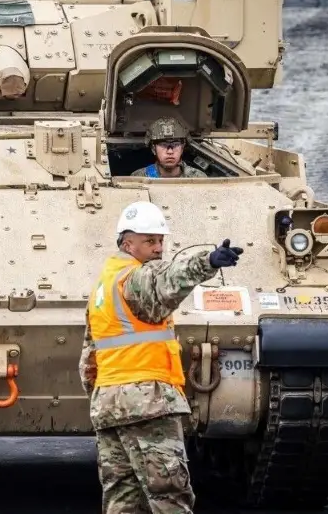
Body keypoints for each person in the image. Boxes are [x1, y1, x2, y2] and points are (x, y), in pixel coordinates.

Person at [80, 201, 243, 513]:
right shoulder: (136, 278)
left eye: (160, 240)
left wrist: (105, 399)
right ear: (127, 244)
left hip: (109, 405)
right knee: (169, 495)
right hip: (147, 403)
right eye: (149, 241)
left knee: (122, 499)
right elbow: (166, 282)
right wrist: (208, 261)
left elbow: (89, 358)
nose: (158, 248)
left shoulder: (103, 287)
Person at [131, 117, 208, 178]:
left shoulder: (198, 178)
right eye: (163, 145)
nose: (170, 151)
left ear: (182, 148)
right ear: (153, 149)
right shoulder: (139, 178)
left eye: (176, 144)